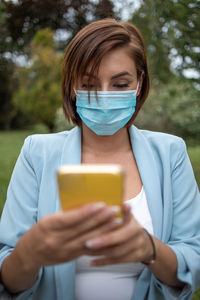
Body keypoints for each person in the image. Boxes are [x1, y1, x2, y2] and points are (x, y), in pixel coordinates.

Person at [0, 18, 200, 300]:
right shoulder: (37, 153)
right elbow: (7, 275)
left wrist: (149, 249)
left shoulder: (171, 153)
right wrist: (28, 253)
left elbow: (194, 259)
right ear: (71, 86)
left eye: (120, 84)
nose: (104, 96)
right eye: (88, 83)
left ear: (140, 84)